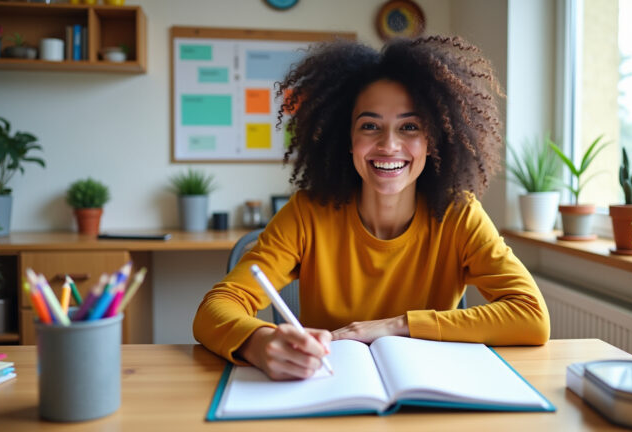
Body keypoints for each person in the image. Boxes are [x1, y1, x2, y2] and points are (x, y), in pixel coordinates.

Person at [193, 35, 550, 381]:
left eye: (409, 126)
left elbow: (531, 315)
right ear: (347, 139)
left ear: (432, 140)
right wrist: (258, 343)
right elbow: (215, 309)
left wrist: (396, 326)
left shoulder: (459, 215)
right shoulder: (307, 213)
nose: (389, 145)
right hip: (328, 385)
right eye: (370, 126)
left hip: (426, 390)